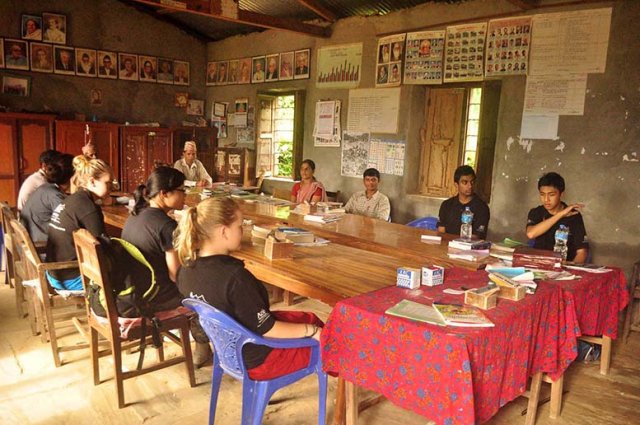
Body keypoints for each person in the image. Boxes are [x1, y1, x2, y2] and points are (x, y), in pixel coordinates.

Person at [174, 197, 324, 380]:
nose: (242, 231)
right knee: (323, 336)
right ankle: (348, 379)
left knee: (309, 318)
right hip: (258, 359)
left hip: (226, 350)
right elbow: (268, 329)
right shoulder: (235, 279)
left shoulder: (185, 270)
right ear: (224, 232)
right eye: (239, 226)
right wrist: (315, 332)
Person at [121, 167, 211, 365]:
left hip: (133, 289)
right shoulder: (165, 226)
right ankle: (203, 346)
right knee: (202, 291)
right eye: (181, 190)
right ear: (164, 194)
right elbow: (175, 275)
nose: (185, 195)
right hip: (152, 297)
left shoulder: (135, 215)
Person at [45, 156, 113, 291]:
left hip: (54, 272)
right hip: (70, 278)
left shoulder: (74, 199)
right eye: (108, 183)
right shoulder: (88, 207)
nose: (111, 187)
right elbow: (103, 247)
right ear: (92, 182)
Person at [525, 172, 589, 263]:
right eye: (542, 194)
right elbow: (531, 234)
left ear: (561, 194)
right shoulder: (536, 212)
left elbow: (582, 252)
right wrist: (560, 214)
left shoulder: (574, 216)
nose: (546, 199)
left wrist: (570, 271)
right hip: (538, 266)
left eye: (551, 195)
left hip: (564, 267)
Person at [21, 153, 74, 243]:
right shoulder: (55, 195)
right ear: (72, 176)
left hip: (33, 236)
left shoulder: (46, 187)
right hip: (41, 246)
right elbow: (68, 223)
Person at [437, 165, 490, 239]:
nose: (470, 186)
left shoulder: (482, 207)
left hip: (469, 248)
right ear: (456, 185)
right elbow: (441, 232)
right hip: (446, 245)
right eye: (465, 182)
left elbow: (477, 236)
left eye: (472, 182)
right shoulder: (446, 205)